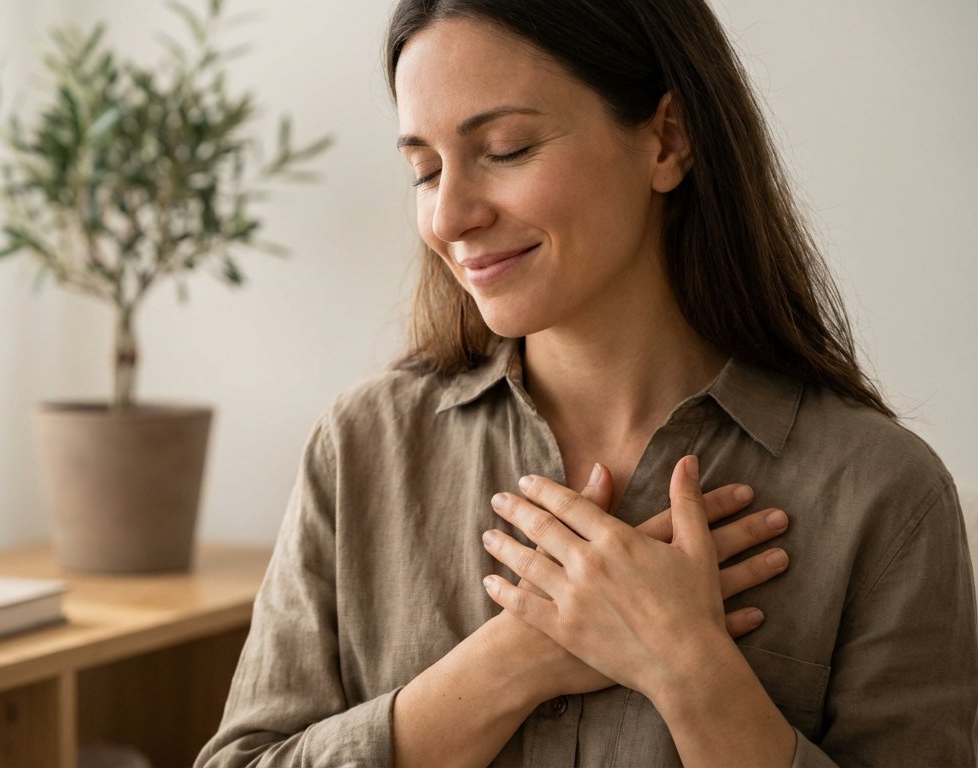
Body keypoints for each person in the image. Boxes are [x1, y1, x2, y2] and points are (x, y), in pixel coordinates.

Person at [196, 0, 978, 765]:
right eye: (424, 170)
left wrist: (688, 669)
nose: (449, 217)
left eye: (504, 149)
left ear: (667, 140)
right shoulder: (361, 448)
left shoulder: (883, 495)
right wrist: (518, 657)